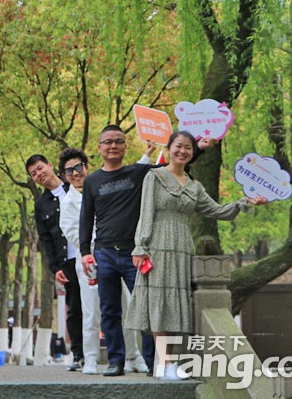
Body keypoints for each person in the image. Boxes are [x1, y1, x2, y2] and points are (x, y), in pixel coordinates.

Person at [124, 131, 267, 380]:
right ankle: (163, 363)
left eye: (188, 148)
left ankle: (171, 363)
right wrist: (141, 246)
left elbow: (219, 211)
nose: (183, 151)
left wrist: (246, 202)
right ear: (169, 148)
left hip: (182, 247)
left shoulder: (194, 186)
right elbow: (145, 213)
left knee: (176, 304)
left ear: (192, 153)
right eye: (178, 146)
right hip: (157, 245)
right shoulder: (154, 177)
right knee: (159, 302)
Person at [79, 125, 215, 377]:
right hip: (105, 252)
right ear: (99, 148)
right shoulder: (92, 181)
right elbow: (86, 217)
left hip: (137, 253)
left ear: (125, 146)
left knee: (149, 306)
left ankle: (156, 363)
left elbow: (175, 163)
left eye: (118, 141)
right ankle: (116, 360)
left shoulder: (139, 173)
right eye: (107, 142)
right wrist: (85, 250)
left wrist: (200, 148)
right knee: (109, 310)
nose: (113, 146)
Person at [58, 147, 151, 375]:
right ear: (64, 175)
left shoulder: (101, 186)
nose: (76, 173)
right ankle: (91, 358)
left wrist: (147, 154)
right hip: (91, 261)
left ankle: (133, 356)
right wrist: (102, 238)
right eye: (69, 170)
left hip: (118, 254)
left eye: (78, 167)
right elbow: (75, 233)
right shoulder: (68, 203)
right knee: (93, 312)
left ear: (86, 166)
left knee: (127, 307)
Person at [25, 154, 83, 371]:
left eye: (40, 168)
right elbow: (45, 239)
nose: (39, 174)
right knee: (74, 309)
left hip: (91, 255)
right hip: (67, 263)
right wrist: (55, 268)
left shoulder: (75, 185)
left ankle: (114, 352)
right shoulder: (41, 205)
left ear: (50, 166)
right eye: (33, 174)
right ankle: (79, 354)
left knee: (103, 304)